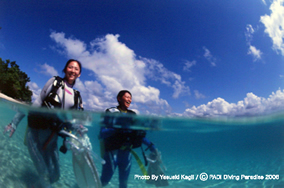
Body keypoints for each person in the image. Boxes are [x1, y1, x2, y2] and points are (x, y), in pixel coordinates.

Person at [3, 59, 84, 188]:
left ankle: (35, 185)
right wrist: (14, 122)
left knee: (55, 175)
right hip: (34, 135)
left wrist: (79, 129)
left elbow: (71, 121)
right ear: (65, 69)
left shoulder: (77, 96)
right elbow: (36, 103)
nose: (73, 70)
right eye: (70, 67)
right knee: (44, 173)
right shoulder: (55, 82)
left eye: (76, 69)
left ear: (79, 74)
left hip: (51, 140)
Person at [99, 90, 159, 188]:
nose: (129, 99)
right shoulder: (111, 112)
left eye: (130, 98)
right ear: (119, 98)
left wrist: (152, 147)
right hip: (111, 154)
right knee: (104, 181)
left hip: (126, 156)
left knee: (123, 184)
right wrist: (118, 128)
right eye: (127, 97)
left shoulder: (132, 115)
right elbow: (102, 134)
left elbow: (137, 135)